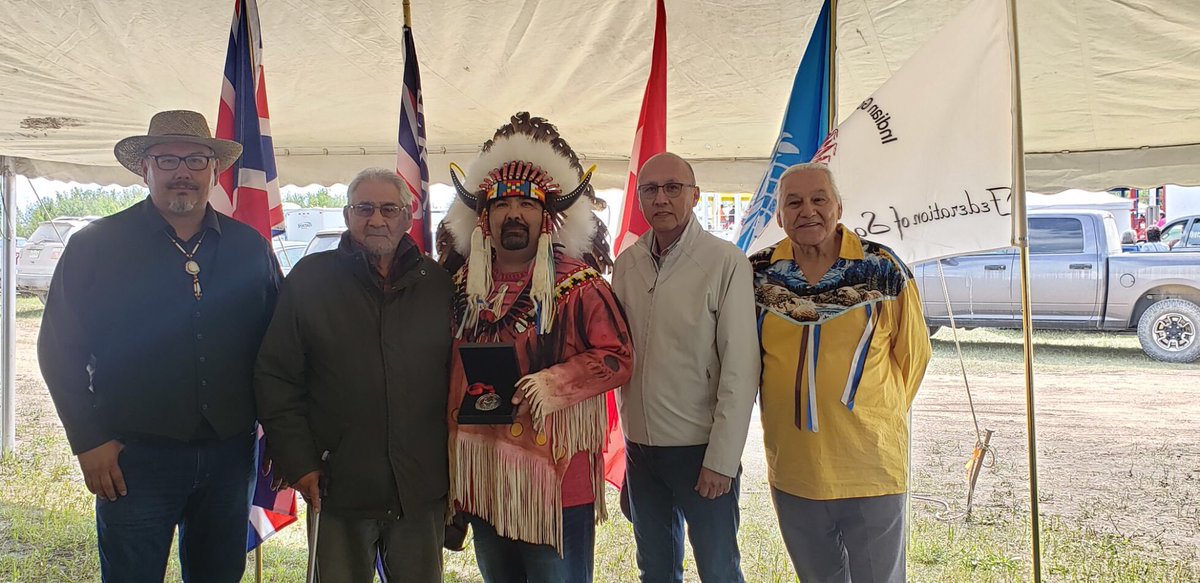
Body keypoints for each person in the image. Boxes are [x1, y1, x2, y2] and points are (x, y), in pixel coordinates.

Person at [38, 110, 280, 582]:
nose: (182, 172)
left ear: (214, 170)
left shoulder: (249, 249)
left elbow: (275, 349)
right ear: (144, 169)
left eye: (195, 158)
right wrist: (88, 441)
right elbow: (57, 350)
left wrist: (281, 432)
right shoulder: (96, 246)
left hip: (230, 457)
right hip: (132, 458)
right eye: (167, 159)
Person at [442, 112, 634, 583]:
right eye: (501, 205)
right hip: (485, 477)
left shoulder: (578, 285)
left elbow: (618, 357)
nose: (513, 213)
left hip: (555, 480)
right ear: (483, 218)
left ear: (547, 218)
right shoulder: (462, 285)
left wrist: (555, 383)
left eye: (526, 206)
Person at [254, 168, 453, 582]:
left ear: (407, 215)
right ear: (347, 215)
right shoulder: (310, 280)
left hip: (420, 486)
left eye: (388, 209)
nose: (376, 219)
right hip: (336, 485)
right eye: (364, 208)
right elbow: (276, 377)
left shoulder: (438, 284)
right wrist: (300, 462)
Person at [751, 163, 931, 583]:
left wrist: (870, 414)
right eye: (793, 202)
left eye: (819, 199)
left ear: (839, 207)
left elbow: (914, 357)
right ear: (778, 215)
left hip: (870, 464)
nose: (807, 210)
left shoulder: (881, 268)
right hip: (795, 466)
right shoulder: (757, 274)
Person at [611, 152, 760, 583]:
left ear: (695, 196)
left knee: (718, 569)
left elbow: (740, 367)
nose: (661, 198)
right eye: (650, 189)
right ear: (639, 199)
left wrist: (723, 459)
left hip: (700, 450)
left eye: (673, 188)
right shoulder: (628, 263)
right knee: (654, 568)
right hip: (641, 448)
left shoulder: (724, 262)